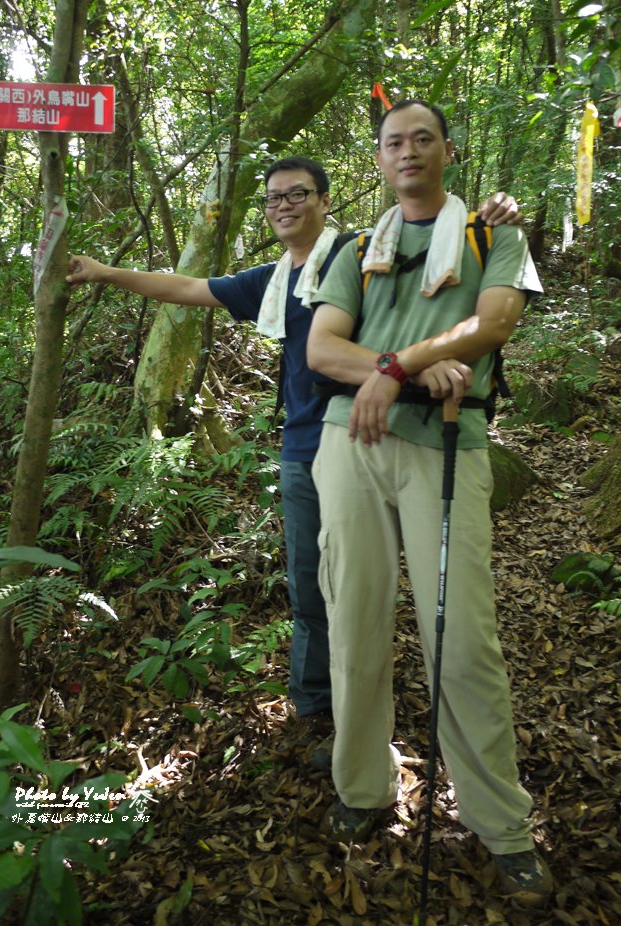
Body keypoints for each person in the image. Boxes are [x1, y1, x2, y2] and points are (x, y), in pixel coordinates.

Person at [66, 155, 521, 747]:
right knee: (315, 583)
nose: (284, 206)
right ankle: (317, 709)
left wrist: (491, 216)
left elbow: (432, 265)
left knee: (418, 592)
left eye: (297, 194)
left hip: (401, 434)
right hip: (308, 446)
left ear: (324, 200)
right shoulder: (272, 280)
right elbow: (185, 287)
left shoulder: (363, 253)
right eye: (273, 198)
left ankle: (409, 708)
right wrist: (105, 272)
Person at [306, 102, 552, 904]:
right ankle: (362, 787)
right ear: (377, 160)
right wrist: (396, 366)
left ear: (449, 150)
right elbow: (321, 348)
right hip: (351, 447)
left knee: (463, 635)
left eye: (421, 138)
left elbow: (499, 319)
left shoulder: (492, 233)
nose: (407, 151)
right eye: (392, 142)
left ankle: (501, 825)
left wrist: (391, 367)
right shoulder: (352, 247)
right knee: (354, 619)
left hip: (448, 444)